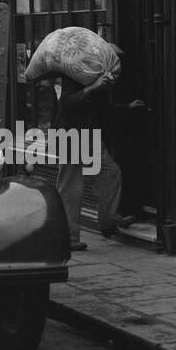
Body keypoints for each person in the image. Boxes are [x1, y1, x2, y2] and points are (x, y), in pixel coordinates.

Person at [53, 70, 136, 251]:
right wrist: (94, 87)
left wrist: (126, 107)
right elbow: (67, 102)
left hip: (89, 134)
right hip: (70, 133)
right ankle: (69, 237)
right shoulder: (74, 73)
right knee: (71, 186)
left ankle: (108, 221)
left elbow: (103, 109)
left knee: (110, 173)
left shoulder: (100, 76)